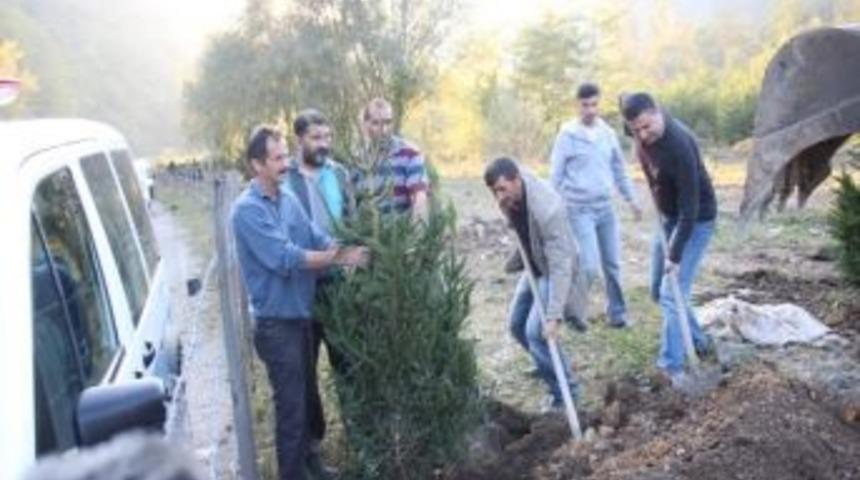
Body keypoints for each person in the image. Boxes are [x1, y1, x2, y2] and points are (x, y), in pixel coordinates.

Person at [231, 126, 367, 480]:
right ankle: (292, 473)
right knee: (291, 410)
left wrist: (343, 247)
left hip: (302, 315)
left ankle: (313, 466)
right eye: (277, 158)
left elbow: (314, 234)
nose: (286, 163)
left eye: (285, 155)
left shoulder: (287, 196)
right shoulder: (246, 212)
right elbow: (284, 257)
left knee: (307, 400)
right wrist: (336, 258)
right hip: (277, 325)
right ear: (256, 165)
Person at [620, 93, 717, 383]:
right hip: (669, 218)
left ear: (657, 112)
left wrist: (674, 256)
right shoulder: (639, 133)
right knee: (657, 290)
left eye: (646, 127)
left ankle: (671, 367)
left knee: (671, 291)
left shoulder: (680, 145)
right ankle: (699, 342)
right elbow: (652, 173)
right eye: (636, 129)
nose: (642, 135)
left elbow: (690, 210)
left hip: (696, 220)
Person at [281, 109, 353, 474]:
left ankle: (359, 437)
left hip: (340, 287)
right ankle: (312, 451)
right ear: (299, 140)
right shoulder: (286, 180)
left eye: (327, 137)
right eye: (315, 138)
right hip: (304, 291)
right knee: (305, 374)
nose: (323, 144)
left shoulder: (340, 175)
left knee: (348, 364)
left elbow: (353, 223)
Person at [484, 157, 587, 410]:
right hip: (535, 262)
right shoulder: (509, 192)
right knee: (517, 326)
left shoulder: (547, 209)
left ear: (516, 180)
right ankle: (549, 364)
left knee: (537, 334)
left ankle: (566, 395)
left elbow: (562, 264)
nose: (498, 197)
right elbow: (520, 227)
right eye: (494, 191)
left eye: (502, 189)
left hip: (553, 267)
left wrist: (553, 316)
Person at [550, 82, 641, 329]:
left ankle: (618, 314)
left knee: (613, 264)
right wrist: (551, 207)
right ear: (577, 106)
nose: (590, 110)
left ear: (599, 104)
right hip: (579, 209)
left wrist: (631, 199)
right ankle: (574, 312)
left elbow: (619, 170)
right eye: (585, 105)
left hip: (605, 208)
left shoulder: (607, 134)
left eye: (594, 104)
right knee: (589, 266)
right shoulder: (567, 135)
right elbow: (556, 175)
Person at [353, 97, 429, 220]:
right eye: (376, 123)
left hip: (400, 231)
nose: (383, 129)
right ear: (366, 125)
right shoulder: (358, 159)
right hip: (366, 233)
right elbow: (352, 202)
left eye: (387, 122)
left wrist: (416, 233)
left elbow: (419, 199)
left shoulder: (409, 153)